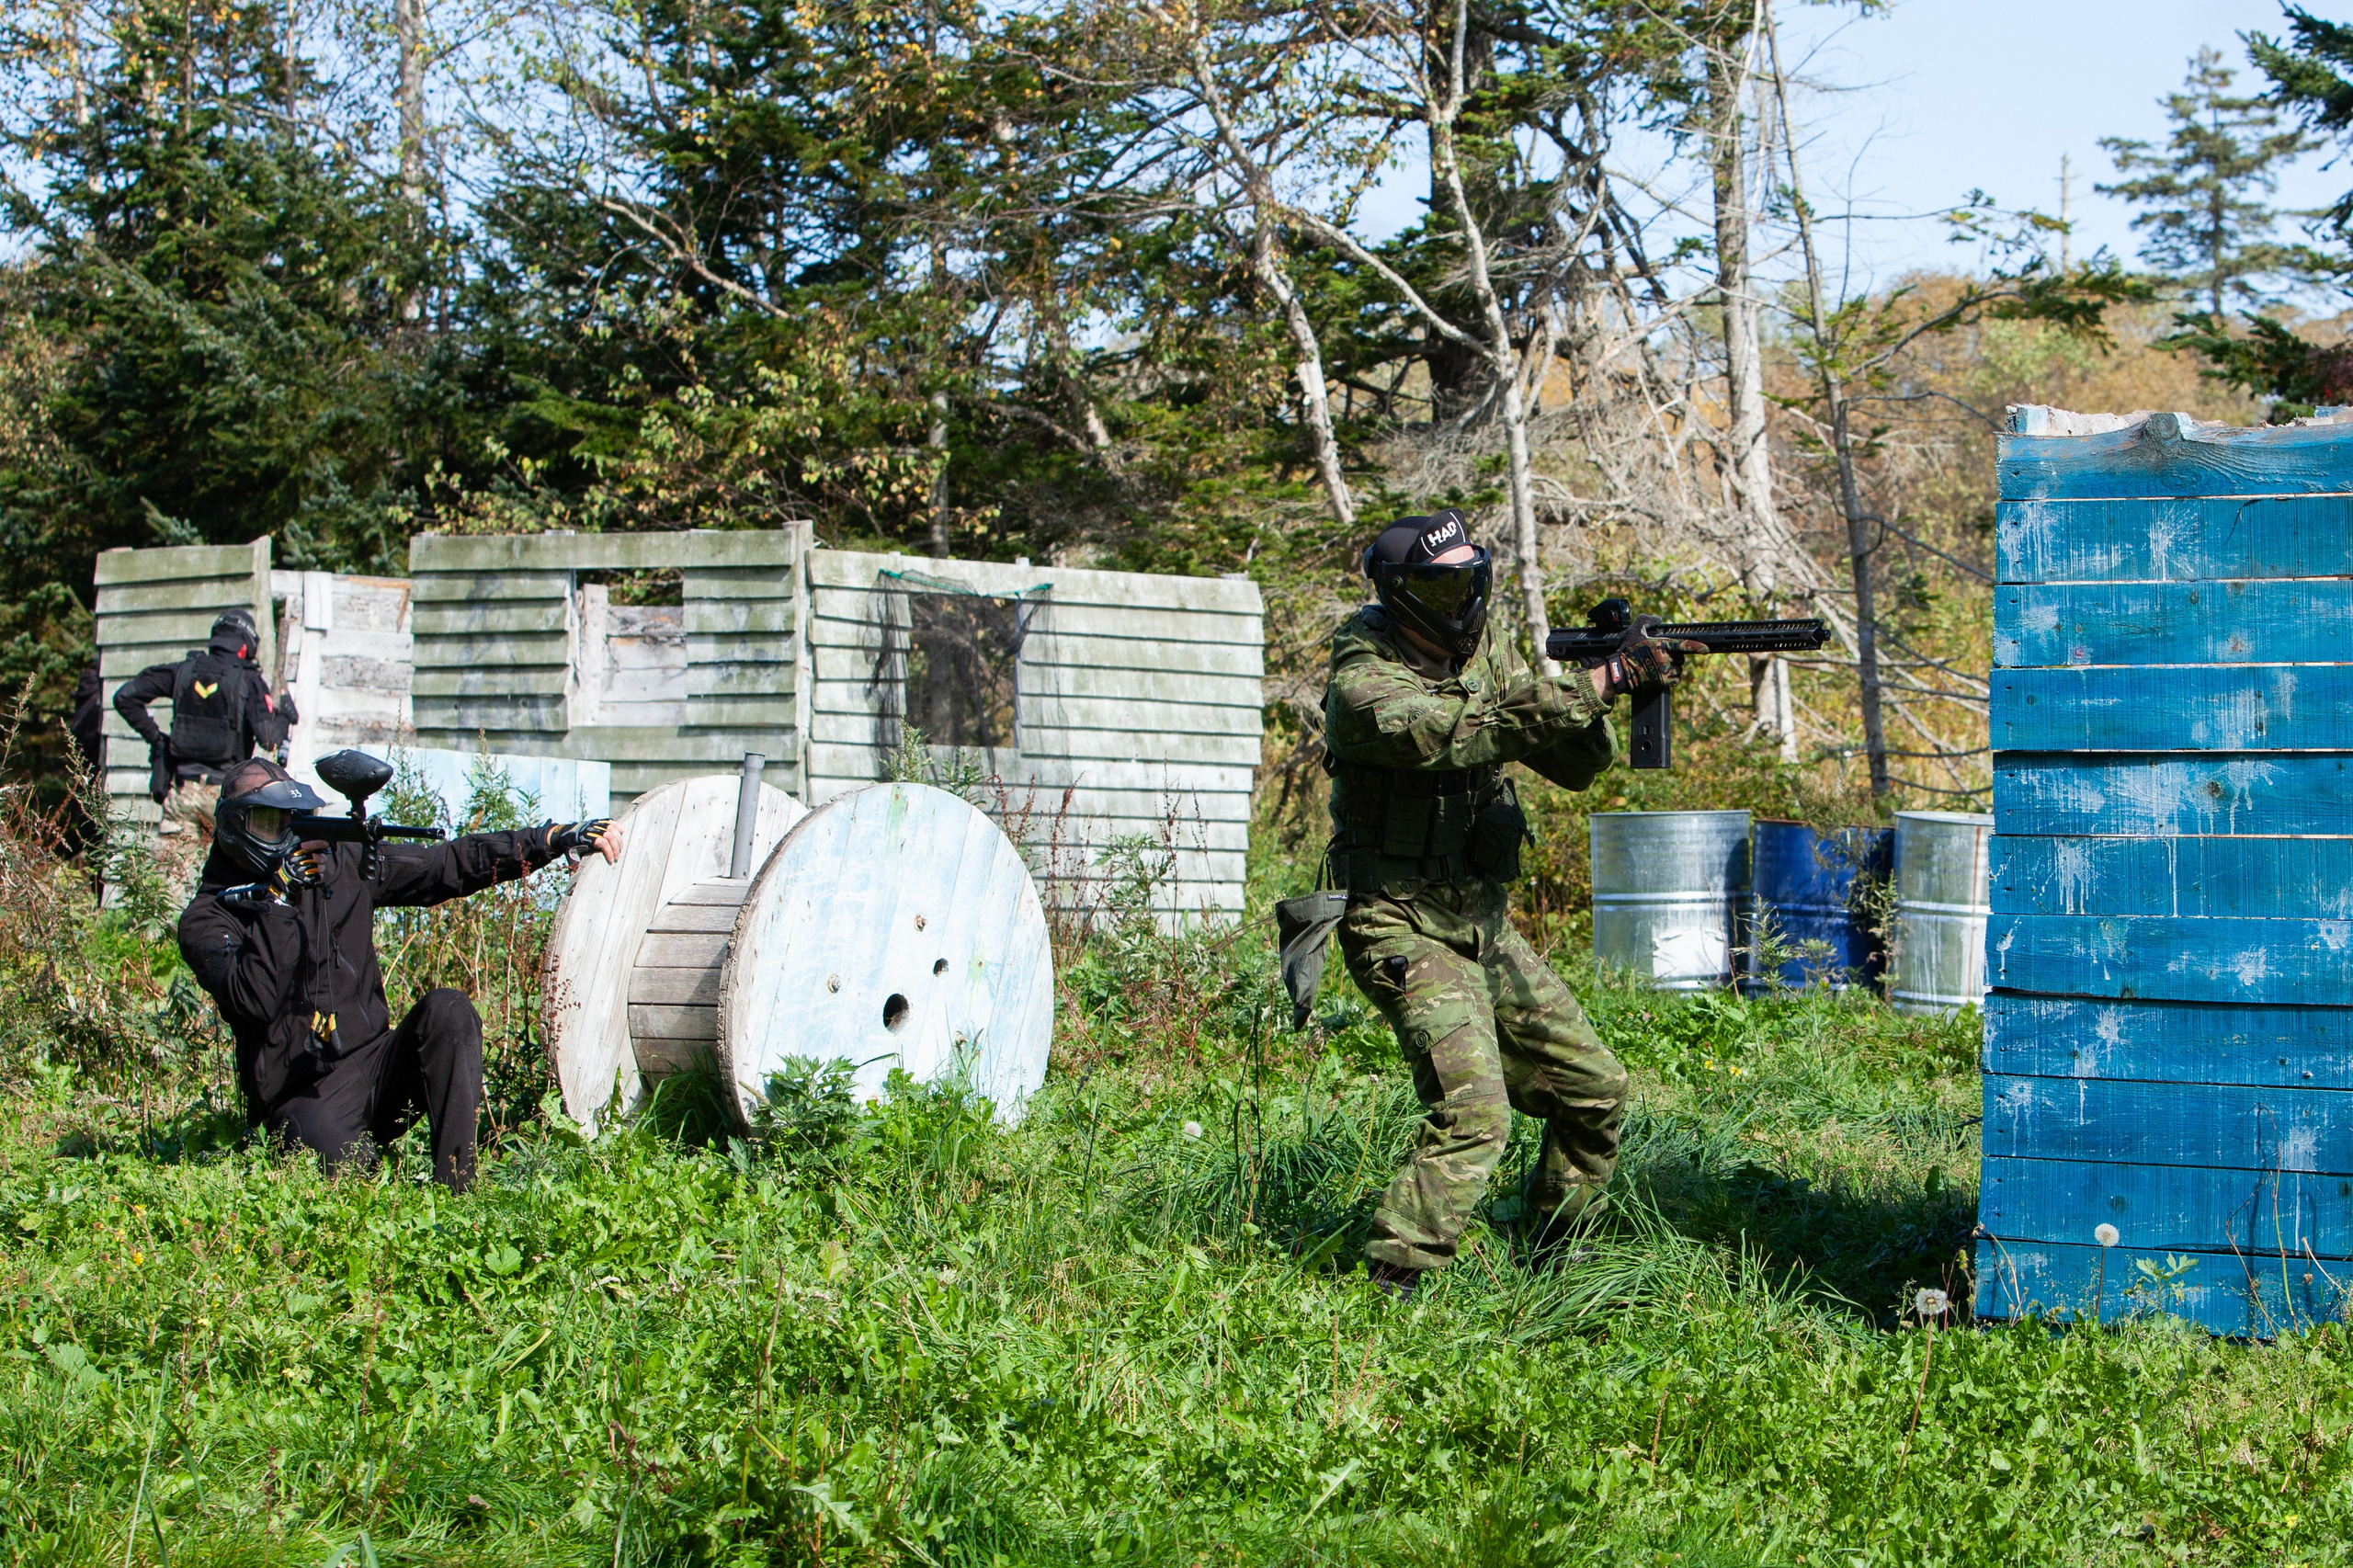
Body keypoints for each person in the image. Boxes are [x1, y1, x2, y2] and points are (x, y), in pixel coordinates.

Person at [1323, 509, 1699, 1301]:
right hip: (1397, 921)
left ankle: (1553, 1263)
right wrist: (1596, 682)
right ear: (1399, 594)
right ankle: (1386, 1288)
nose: (1459, 598)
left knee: (1595, 1092)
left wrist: (1616, 686)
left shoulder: (1486, 651)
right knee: (1476, 1114)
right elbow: (1453, 733)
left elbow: (1574, 766)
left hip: (1480, 924)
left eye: (1468, 579)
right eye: (1439, 584)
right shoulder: (1362, 680)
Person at [177, 756, 623, 1191]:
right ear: (236, 828)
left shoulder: (337, 866)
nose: (286, 837)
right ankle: (365, 1169)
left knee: (449, 1009)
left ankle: (459, 1185)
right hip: (299, 1098)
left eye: (293, 821)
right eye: (268, 823)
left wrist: (551, 839)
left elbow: (443, 866)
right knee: (350, 1180)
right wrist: (277, 901)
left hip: (377, 1067)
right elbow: (257, 1000)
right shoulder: (208, 920)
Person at [112, 608, 298, 902]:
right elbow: (269, 738)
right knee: (227, 883)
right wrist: (285, 715)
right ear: (245, 645)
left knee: (169, 886)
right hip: (225, 798)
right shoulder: (248, 680)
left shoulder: (182, 671)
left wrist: (157, 740)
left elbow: (125, 696)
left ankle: (162, 943)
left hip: (182, 792)